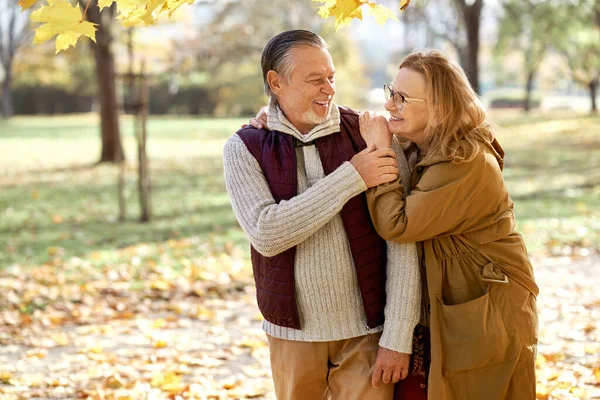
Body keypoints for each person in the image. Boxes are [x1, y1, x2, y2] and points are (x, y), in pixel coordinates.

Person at [222, 30, 421, 400]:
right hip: (291, 337)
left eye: (331, 77)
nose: (329, 89)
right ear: (275, 82)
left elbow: (402, 237)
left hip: (367, 333)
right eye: (315, 80)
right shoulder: (244, 147)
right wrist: (352, 177)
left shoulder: (368, 134)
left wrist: (397, 336)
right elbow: (267, 233)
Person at [360, 50, 539, 400]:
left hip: (488, 307)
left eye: (402, 98)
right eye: (390, 92)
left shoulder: (465, 161)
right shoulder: (426, 147)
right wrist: (277, 116)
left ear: (440, 108)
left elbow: (399, 223)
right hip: (465, 305)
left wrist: (380, 155)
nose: (389, 105)